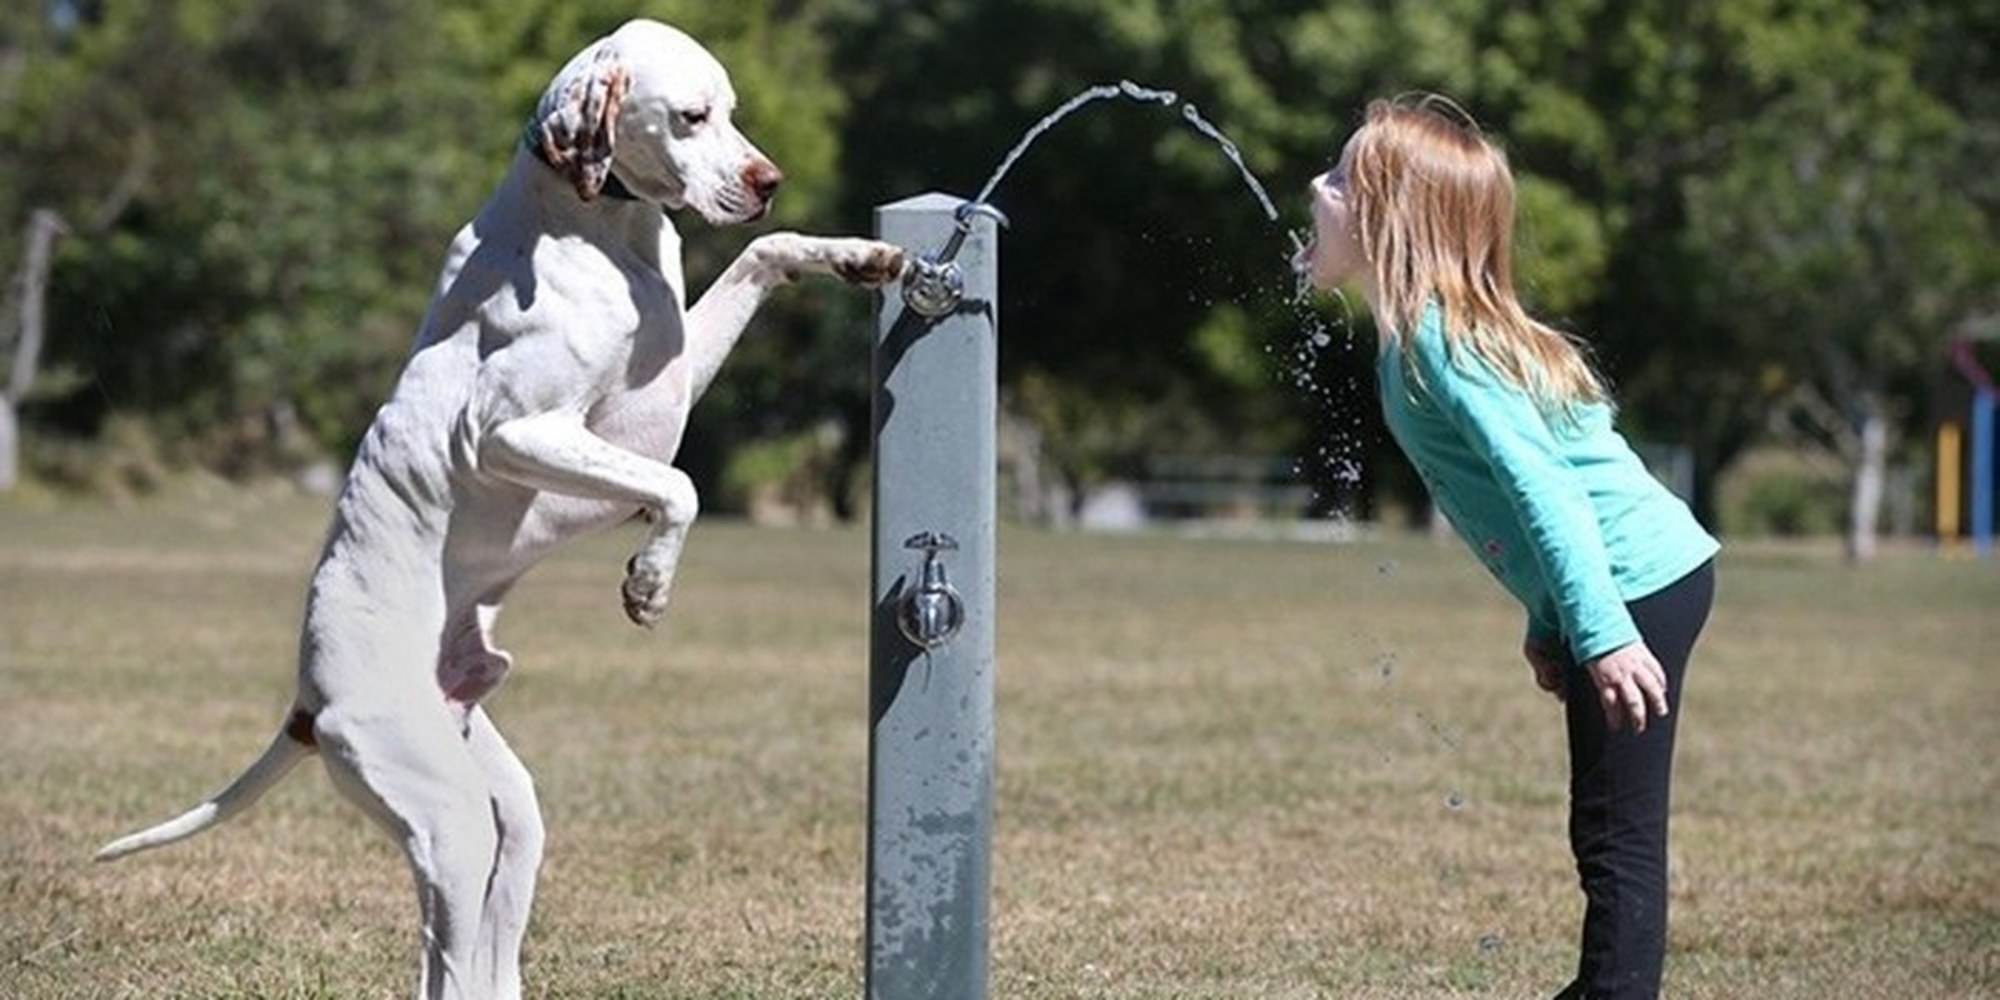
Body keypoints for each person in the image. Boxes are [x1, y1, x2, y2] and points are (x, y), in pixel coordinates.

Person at [1294, 94, 1719, 1000]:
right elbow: (1518, 497)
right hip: (1620, 584)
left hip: (1634, 585)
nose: (1312, 189)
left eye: (1336, 180)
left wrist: (1598, 630)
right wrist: (1548, 615)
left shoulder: (1441, 342)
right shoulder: (1416, 335)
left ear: (1382, 220)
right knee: (1604, 825)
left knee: (1616, 833)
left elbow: (1547, 488)